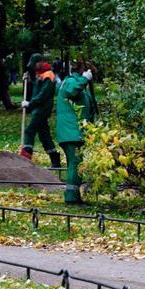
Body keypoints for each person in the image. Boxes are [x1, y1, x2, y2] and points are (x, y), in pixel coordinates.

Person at [56, 61, 98, 204]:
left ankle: (74, 195)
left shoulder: (77, 86)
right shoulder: (71, 82)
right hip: (72, 132)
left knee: (74, 164)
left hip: (74, 132)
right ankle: (71, 197)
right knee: (75, 163)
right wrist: (84, 79)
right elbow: (71, 91)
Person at [20, 53, 60, 168]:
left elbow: (43, 94)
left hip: (42, 109)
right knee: (44, 135)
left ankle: (25, 158)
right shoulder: (41, 74)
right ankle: (55, 159)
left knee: (29, 130)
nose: (33, 67)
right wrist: (29, 80)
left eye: (34, 64)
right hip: (38, 109)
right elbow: (38, 88)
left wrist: (30, 103)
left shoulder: (49, 75)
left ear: (41, 62)